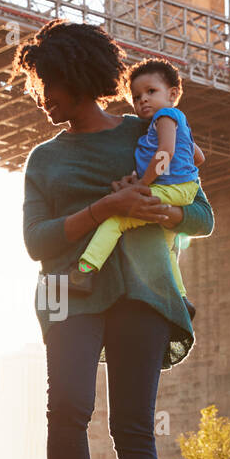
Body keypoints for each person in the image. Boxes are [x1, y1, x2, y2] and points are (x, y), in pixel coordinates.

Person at [16, 19, 214, 459]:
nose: (40, 96)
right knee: (66, 412)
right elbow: (36, 241)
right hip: (66, 294)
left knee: (133, 429)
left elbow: (200, 213)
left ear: (75, 78)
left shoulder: (147, 129)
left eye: (46, 83)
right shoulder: (43, 159)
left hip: (140, 293)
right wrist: (106, 206)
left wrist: (152, 206)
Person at [66, 59, 205, 320]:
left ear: (173, 94)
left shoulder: (165, 116)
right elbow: (199, 158)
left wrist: (143, 184)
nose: (142, 100)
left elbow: (165, 152)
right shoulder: (176, 122)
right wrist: (182, 172)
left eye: (151, 92)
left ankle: (83, 272)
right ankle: (182, 299)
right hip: (183, 188)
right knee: (167, 247)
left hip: (171, 188)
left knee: (117, 219)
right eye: (136, 96)